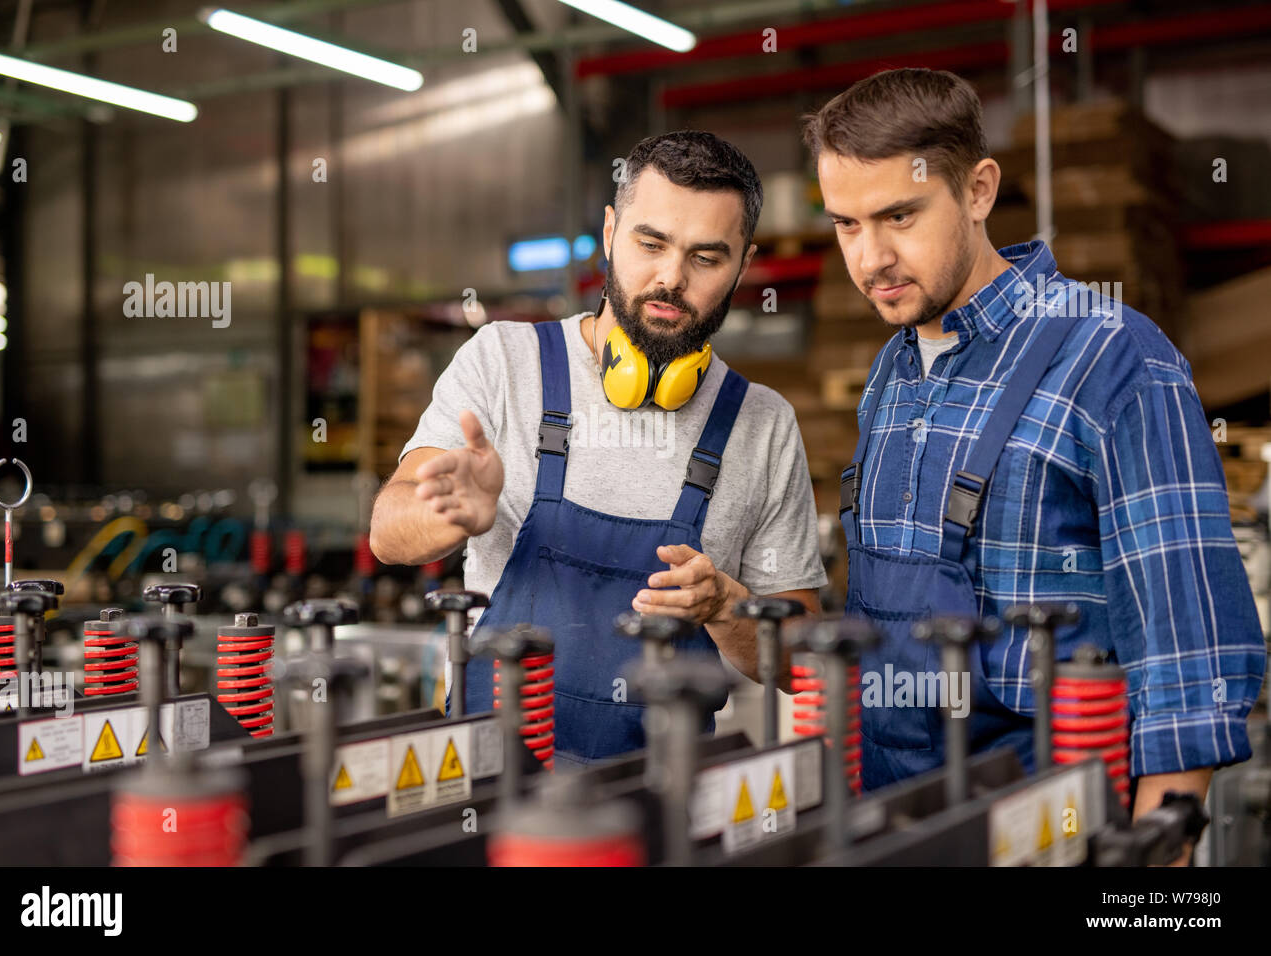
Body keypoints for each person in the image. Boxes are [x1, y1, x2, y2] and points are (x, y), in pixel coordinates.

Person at [803, 68, 1267, 837]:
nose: (870, 258)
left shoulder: (1113, 358)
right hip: (895, 822)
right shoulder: (892, 371)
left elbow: (1189, 652)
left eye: (899, 216)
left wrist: (1154, 874)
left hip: (1051, 826)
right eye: (847, 225)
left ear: (978, 190)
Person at [370, 131, 826, 766]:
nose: (671, 277)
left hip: (662, 806)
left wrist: (726, 607)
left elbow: (803, 665)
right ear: (610, 231)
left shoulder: (762, 424)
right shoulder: (505, 361)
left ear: (744, 265)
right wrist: (444, 513)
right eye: (651, 243)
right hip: (482, 783)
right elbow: (388, 535)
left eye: (706, 257)